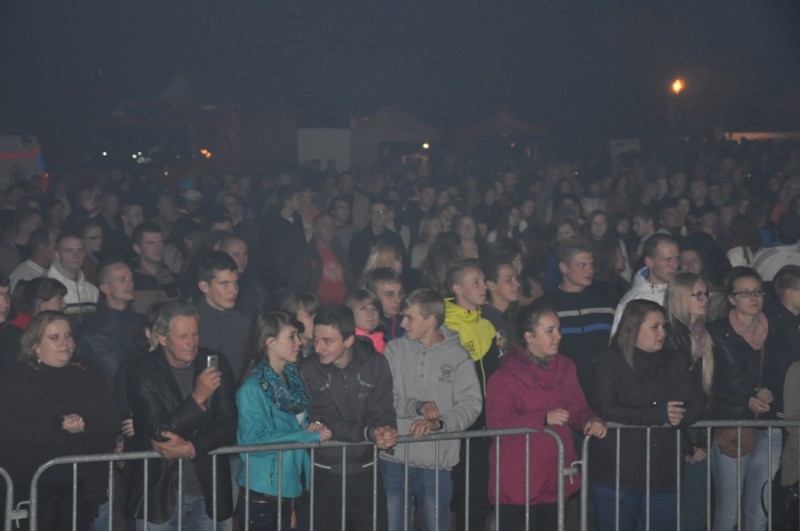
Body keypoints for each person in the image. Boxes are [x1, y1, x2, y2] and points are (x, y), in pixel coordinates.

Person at [487, 299, 607, 531]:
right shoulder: (505, 376)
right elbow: (496, 425)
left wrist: (591, 420)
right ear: (529, 337)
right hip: (517, 479)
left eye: (559, 329)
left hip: (554, 475)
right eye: (550, 330)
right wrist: (542, 418)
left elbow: (576, 406)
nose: (559, 336)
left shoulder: (565, 366)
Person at [0, 311, 120, 530]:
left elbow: (109, 419)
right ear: (36, 345)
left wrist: (85, 425)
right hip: (33, 488)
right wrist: (57, 425)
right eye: (54, 338)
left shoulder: (88, 375)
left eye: (68, 336)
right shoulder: (16, 379)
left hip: (79, 486)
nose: (64, 343)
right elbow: (11, 429)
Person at [591, 299, 704, 531]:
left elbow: (696, 402)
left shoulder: (673, 359)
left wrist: (679, 416)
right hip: (619, 473)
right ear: (633, 329)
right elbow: (605, 407)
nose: (662, 333)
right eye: (655, 327)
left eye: (663, 327)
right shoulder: (609, 359)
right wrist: (657, 414)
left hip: (664, 472)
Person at [125, 302, 237, 529]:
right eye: (183, 336)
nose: (191, 342)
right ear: (162, 337)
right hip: (159, 492)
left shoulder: (214, 363)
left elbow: (228, 425)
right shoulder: (141, 370)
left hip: (207, 489)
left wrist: (191, 448)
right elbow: (159, 432)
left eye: (195, 334)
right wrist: (197, 398)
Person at [380, 288, 481, 531]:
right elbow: (384, 399)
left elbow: (471, 405)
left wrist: (440, 423)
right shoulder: (394, 350)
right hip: (394, 459)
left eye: (409, 318)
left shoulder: (458, 356)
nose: (402, 324)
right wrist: (416, 405)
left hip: (436, 464)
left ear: (431, 320)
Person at [298, 304, 397, 531]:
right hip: (325, 472)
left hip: (367, 472)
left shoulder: (375, 362)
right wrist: (369, 433)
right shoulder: (308, 369)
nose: (318, 347)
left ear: (349, 340)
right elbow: (323, 417)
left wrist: (386, 430)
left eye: (327, 341)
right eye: (316, 339)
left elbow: (383, 409)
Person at [707, 267, 790, 531]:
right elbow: (708, 385)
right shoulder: (716, 333)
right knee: (728, 512)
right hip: (732, 426)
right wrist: (745, 400)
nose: (754, 298)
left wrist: (772, 391)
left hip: (768, 426)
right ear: (731, 298)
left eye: (757, 292)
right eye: (745, 293)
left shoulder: (776, 330)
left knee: (760, 511)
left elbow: (784, 372)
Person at [235, 311, 332, 531]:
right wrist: (303, 435)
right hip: (264, 491)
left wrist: (312, 427)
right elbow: (251, 440)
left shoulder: (294, 380)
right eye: (291, 337)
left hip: (294, 486)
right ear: (270, 342)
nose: (299, 342)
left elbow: (301, 423)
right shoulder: (252, 388)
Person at [443, 261, 500, 531]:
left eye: (484, 280)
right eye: (476, 281)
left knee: (478, 498)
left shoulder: (487, 325)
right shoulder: (444, 326)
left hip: (486, 425)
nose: (484, 286)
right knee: (453, 498)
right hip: (458, 426)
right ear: (457, 289)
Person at [663, 272, 714, 531]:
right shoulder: (670, 335)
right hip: (676, 429)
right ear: (681, 298)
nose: (704, 299)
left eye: (706, 294)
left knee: (697, 505)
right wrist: (687, 443)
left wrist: (703, 438)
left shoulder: (703, 334)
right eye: (697, 295)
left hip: (696, 426)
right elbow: (672, 392)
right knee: (678, 505)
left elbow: (709, 392)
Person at [544, 238, 615, 403]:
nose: (589, 271)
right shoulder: (547, 306)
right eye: (582, 265)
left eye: (591, 265)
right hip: (564, 391)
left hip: (603, 390)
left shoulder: (606, 302)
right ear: (563, 267)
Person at [76, 261, 140, 391]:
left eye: (131, 278)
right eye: (122, 279)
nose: (130, 283)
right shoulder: (89, 331)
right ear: (105, 288)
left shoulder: (142, 323)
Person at [194, 251, 252, 381]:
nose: (234, 290)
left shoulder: (244, 324)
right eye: (224, 284)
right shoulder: (190, 323)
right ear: (204, 286)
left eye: (235, 283)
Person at [610, 234, 680, 336]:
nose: (675, 265)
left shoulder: (683, 290)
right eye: (668, 260)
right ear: (649, 262)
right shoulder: (633, 302)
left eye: (677, 259)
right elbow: (622, 341)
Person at [289, 213, 355, 304]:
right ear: (314, 230)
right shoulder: (306, 255)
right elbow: (297, 286)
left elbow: (350, 280)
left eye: (332, 225)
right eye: (324, 225)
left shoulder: (341, 253)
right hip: (318, 308)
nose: (330, 228)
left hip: (342, 307)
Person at [0, 277, 67, 367]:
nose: (5, 303)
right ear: (41, 303)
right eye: (60, 299)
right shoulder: (15, 331)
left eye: (7, 295)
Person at [45, 232, 100, 327]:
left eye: (80, 251)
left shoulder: (93, 291)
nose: (76, 255)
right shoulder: (45, 286)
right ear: (57, 254)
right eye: (69, 251)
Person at [130, 222, 179, 315]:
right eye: (151, 243)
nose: (158, 247)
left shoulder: (171, 277)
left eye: (161, 242)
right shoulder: (129, 278)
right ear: (138, 248)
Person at [361, 267, 407, 342]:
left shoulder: (407, 322)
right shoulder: (367, 327)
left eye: (401, 293)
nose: (398, 300)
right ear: (373, 295)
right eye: (389, 294)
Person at [281, 291, 321, 359]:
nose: (316, 320)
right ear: (293, 318)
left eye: (318, 316)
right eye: (310, 315)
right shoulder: (285, 353)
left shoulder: (320, 348)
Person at [345, 288, 386, 354]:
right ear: (351, 313)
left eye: (374, 309)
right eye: (363, 308)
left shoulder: (381, 340)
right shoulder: (349, 343)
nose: (370, 314)